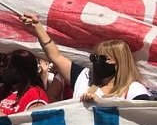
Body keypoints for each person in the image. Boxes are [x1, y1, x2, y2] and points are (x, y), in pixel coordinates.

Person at [21, 13, 151, 101]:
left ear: (120, 63)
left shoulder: (134, 90)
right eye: (94, 58)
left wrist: (101, 105)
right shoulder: (84, 78)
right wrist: (39, 29)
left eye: (103, 59)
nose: (97, 62)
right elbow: (56, 56)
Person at [0, 49, 49, 119]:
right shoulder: (4, 92)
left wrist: (4, 118)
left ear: (23, 71)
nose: (4, 71)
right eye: (3, 66)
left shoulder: (35, 95)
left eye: (10, 68)